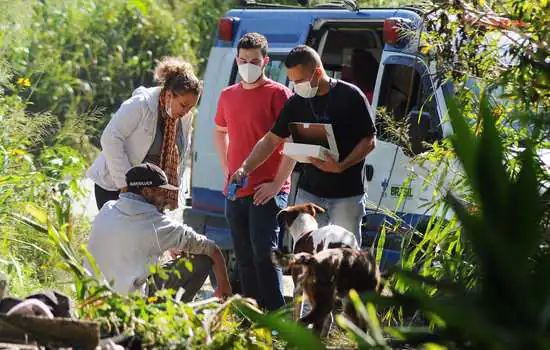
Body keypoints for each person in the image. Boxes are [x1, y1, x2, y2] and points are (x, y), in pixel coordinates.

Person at [229, 45, 377, 246]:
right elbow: (271, 139)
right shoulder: (296, 102)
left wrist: (342, 165)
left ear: (317, 72)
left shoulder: (351, 95)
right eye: (292, 81)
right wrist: (245, 168)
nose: (296, 85)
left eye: (299, 81)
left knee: (346, 257)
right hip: (310, 195)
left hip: (348, 195)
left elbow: (369, 140)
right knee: (307, 257)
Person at [213, 33, 294, 311]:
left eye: (255, 61)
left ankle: (275, 316)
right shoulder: (227, 95)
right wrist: (227, 171)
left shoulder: (279, 94)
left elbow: (292, 144)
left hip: (267, 191)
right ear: (237, 60)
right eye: (243, 60)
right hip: (236, 192)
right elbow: (220, 132)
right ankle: (250, 315)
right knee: (244, 256)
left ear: (265, 61)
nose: (248, 65)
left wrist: (277, 185)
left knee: (265, 253)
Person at [84, 163, 232, 300]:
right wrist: (224, 287)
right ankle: (171, 317)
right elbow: (212, 249)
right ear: (147, 191)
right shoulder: (156, 223)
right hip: (133, 301)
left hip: (92, 297)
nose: (166, 198)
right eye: (161, 192)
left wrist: (172, 245)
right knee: (202, 259)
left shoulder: (108, 208)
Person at [87, 57, 202, 211]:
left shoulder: (185, 117)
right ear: (169, 95)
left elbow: (180, 155)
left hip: (150, 193)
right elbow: (110, 138)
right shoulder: (140, 104)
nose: (187, 111)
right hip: (115, 186)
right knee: (123, 235)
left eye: (191, 107)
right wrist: (125, 183)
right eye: (183, 105)